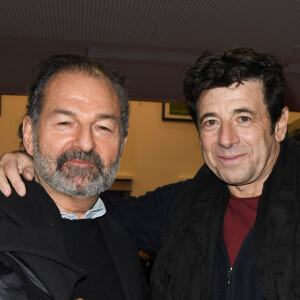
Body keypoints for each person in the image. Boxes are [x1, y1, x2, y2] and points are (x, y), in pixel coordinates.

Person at [1, 47, 300, 299]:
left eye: (243, 118)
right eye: (211, 122)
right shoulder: (182, 206)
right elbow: (81, 206)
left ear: (280, 124)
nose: (225, 138)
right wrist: (28, 162)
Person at [0, 54, 145, 300]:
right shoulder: (6, 228)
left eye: (103, 128)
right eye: (66, 122)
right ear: (29, 134)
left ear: (121, 144)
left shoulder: (124, 238)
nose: (86, 143)